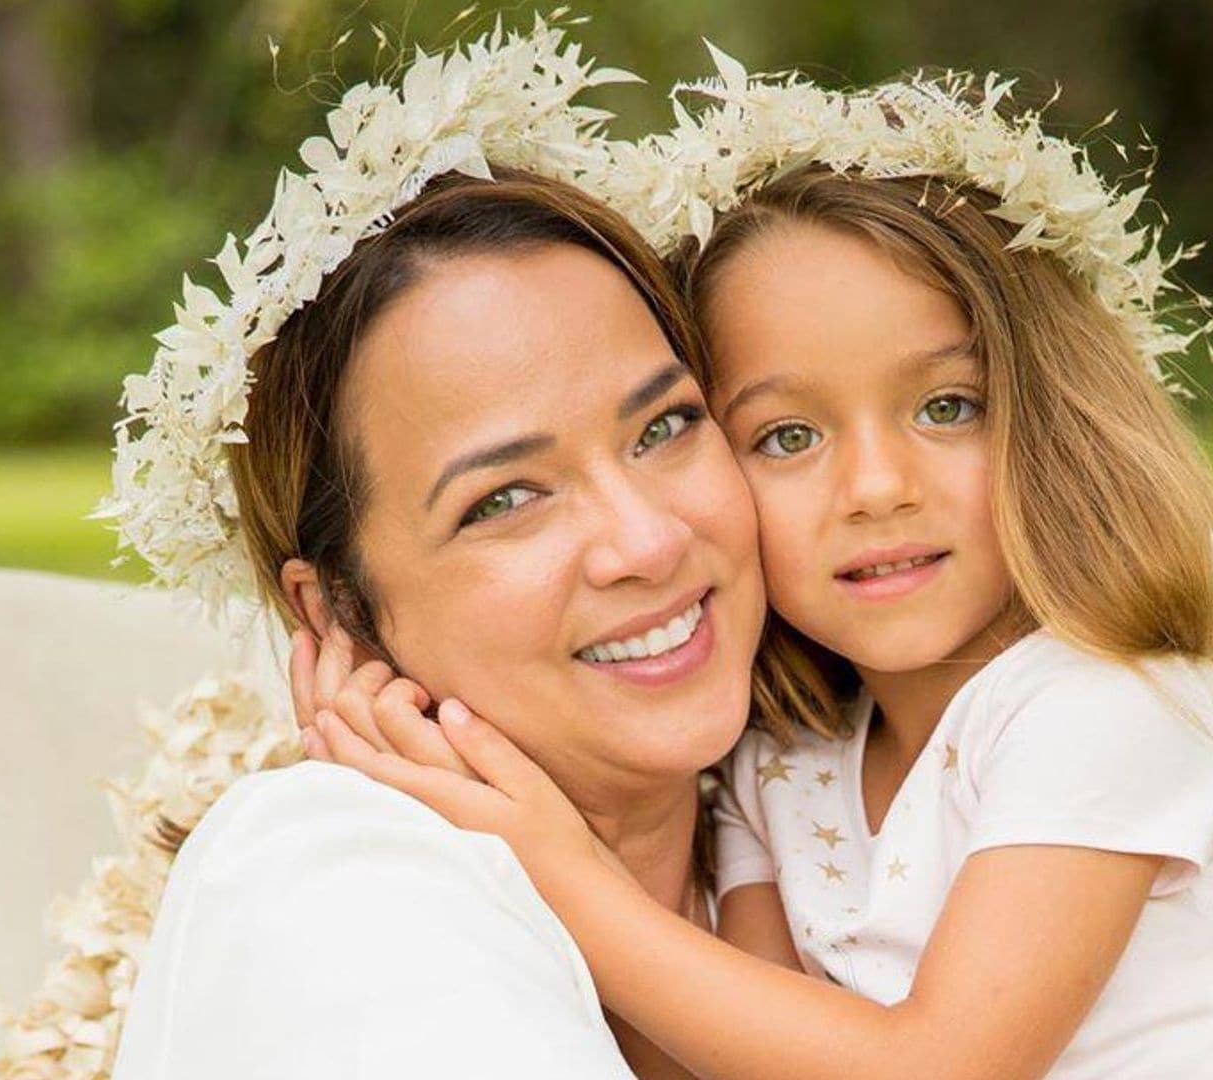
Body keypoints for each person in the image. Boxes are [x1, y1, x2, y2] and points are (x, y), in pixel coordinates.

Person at [309, 68, 1213, 1079]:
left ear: (1056, 421)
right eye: (788, 435)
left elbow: (942, 1068)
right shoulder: (783, 767)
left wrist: (559, 876)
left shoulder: (1110, 711)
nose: (875, 488)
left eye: (947, 407)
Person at [106, 25, 764, 1080]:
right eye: (504, 498)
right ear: (339, 614)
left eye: (663, 428)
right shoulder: (339, 890)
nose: (646, 542)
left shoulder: (834, 804)